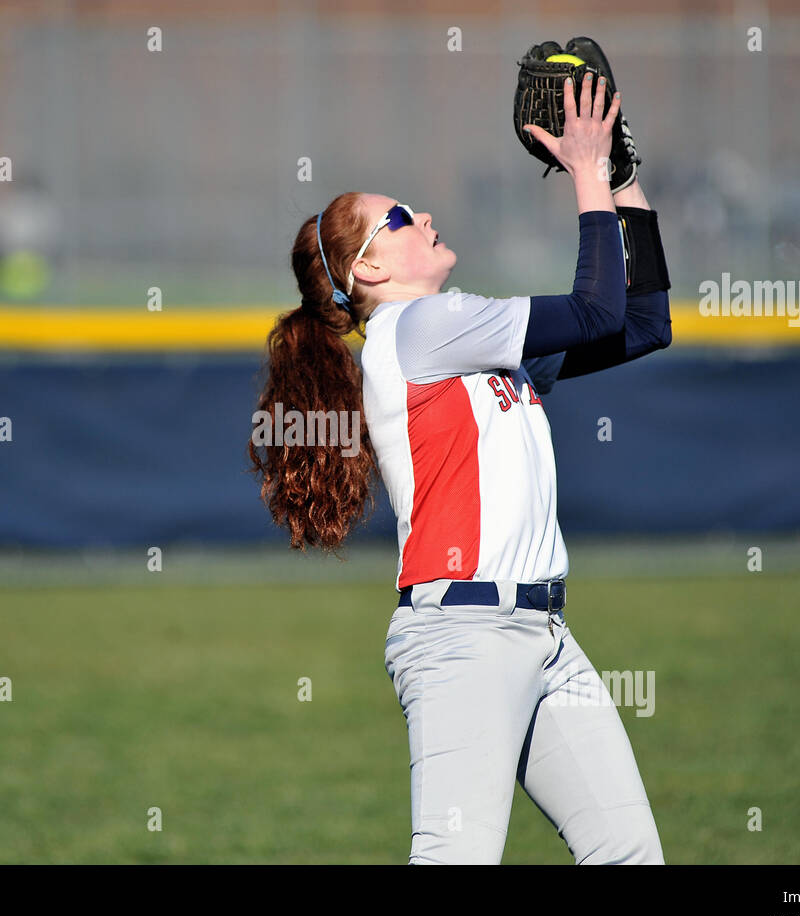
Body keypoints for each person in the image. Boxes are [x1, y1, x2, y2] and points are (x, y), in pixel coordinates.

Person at [249, 73, 672, 863]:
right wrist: (585, 173)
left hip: (544, 634)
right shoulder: (420, 328)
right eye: (402, 218)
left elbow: (643, 323)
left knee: (630, 856)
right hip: (463, 637)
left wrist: (619, 175)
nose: (426, 215)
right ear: (370, 271)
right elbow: (596, 310)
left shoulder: (465, 340)